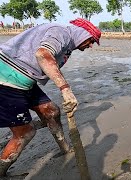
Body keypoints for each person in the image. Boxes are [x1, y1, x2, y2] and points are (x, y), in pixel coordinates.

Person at [0, 18, 101, 176]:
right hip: (6, 80)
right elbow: (42, 55)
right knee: (25, 132)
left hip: (24, 79)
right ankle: (1, 172)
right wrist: (65, 89)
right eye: (90, 40)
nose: (90, 45)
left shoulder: (67, 42)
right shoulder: (62, 33)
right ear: (82, 34)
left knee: (51, 112)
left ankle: (65, 149)